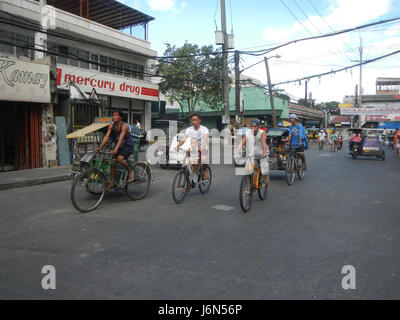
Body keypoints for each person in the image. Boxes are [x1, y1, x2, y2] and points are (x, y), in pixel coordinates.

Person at [97, 110, 135, 190]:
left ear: (120, 117)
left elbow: (121, 139)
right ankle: (112, 182)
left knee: (120, 159)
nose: (114, 117)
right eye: (113, 115)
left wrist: (115, 149)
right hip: (118, 146)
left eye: (116, 115)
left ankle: (130, 171)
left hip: (127, 146)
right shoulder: (111, 126)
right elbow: (106, 138)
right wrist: (100, 147)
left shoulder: (124, 126)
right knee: (112, 163)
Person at [235, 119, 269, 187]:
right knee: (248, 170)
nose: (253, 128)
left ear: (258, 127)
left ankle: (266, 178)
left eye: (255, 126)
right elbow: (242, 143)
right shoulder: (247, 133)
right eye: (252, 126)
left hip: (261, 152)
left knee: (263, 169)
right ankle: (248, 188)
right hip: (251, 153)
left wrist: (264, 153)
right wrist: (237, 152)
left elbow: (263, 143)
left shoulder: (262, 132)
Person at [175, 114, 209, 180]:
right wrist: (177, 146)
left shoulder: (204, 129)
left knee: (203, 158)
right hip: (193, 149)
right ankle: (188, 184)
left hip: (203, 148)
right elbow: (183, 140)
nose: (193, 121)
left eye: (195, 120)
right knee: (184, 166)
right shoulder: (189, 129)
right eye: (192, 120)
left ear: (199, 120)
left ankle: (205, 171)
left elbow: (204, 141)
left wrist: (201, 148)